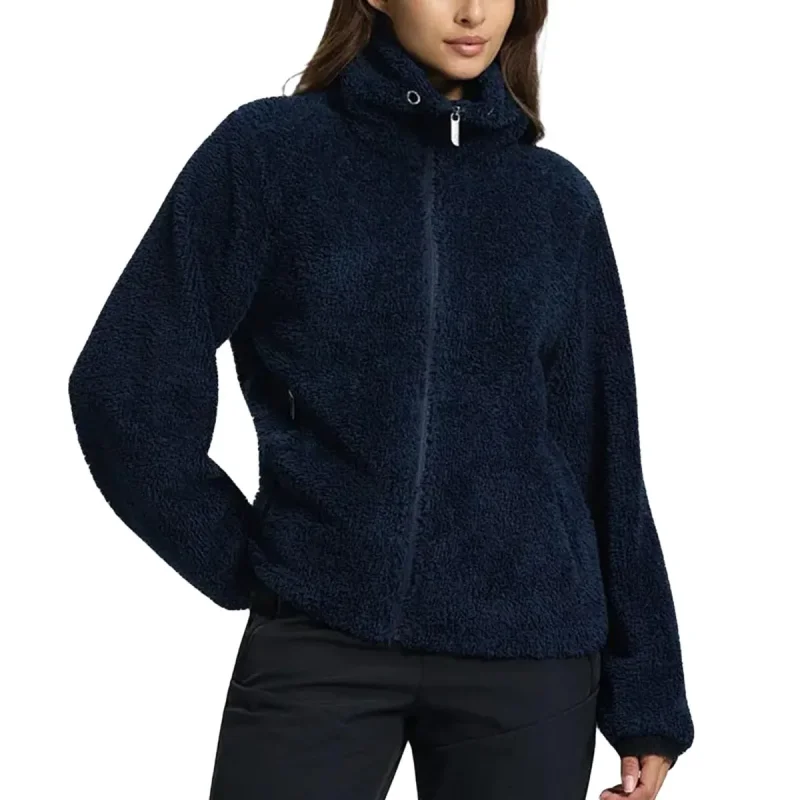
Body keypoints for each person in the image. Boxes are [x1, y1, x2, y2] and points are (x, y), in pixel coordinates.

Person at [67, 1, 694, 798]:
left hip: (529, 650)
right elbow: (126, 381)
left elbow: (602, 450)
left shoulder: (556, 200)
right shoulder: (272, 155)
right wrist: (246, 561)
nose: (472, 12)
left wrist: (646, 700)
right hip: (325, 638)